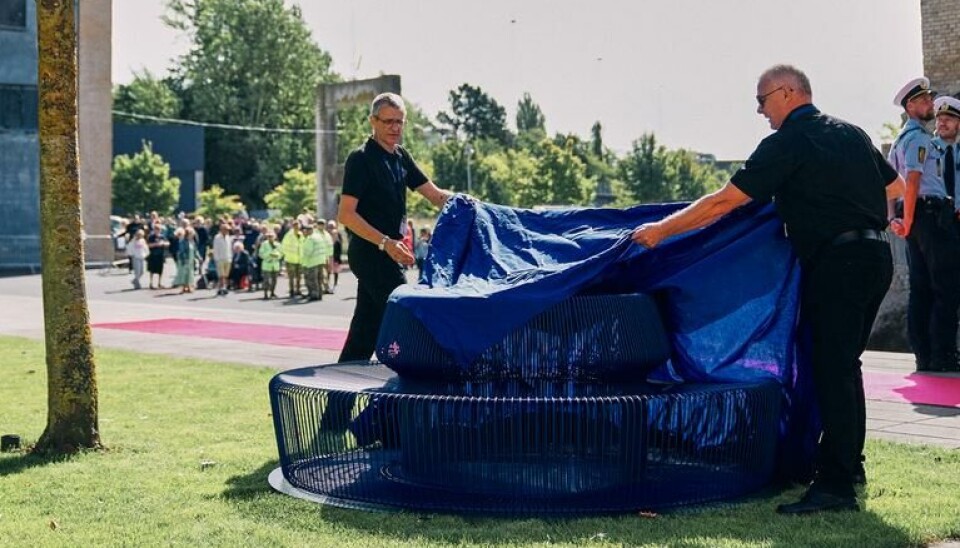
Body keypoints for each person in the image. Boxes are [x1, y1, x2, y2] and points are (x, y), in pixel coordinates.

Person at [631, 65, 905, 515]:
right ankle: (847, 466)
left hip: (838, 263)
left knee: (832, 368)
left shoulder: (788, 143)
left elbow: (724, 200)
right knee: (843, 366)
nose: (759, 111)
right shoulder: (853, 133)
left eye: (761, 100)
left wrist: (661, 231)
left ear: (788, 92)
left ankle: (836, 487)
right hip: (876, 258)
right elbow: (893, 187)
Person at [337, 92, 454, 362]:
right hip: (371, 253)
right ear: (373, 122)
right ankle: (415, 395)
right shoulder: (361, 159)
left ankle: (336, 404)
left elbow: (435, 195)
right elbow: (346, 214)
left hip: (392, 253)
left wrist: (472, 206)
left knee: (363, 335)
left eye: (400, 122)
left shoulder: (401, 156)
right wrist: (385, 243)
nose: (395, 128)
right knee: (409, 317)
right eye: (388, 121)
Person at [888, 78, 960, 373]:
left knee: (921, 288)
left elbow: (890, 185)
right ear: (911, 106)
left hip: (913, 215)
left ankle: (924, 354)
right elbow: (914, 181)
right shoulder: (918, 139)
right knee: (946, 287)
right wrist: (907, 220)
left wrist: (895, 218)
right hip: (927, 213)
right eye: (926, 101)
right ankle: (942, 354)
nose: (931, 105)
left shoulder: (899, 140)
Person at [300, 223, 325, 301]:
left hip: (312, 262)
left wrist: (304, 261)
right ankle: (320, 294)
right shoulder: (319, 236)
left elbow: (308, 252)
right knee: (319, 279)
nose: (305, 232)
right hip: (320, 261)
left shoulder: (310, 239)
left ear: (309, 231)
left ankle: (314, 295)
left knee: (312, 280)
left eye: (306, 230)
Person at [258, 228, 282, 299]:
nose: (270, 237)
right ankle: (265, 294)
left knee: (274, 280)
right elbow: (261, 254)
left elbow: (281, 253)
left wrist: (277, 256)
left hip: (275, 264)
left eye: (272, 236)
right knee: (266, 280)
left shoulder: (278, 244)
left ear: (274, 237)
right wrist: (269, 254)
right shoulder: (264, 244)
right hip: (267, 264)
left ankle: (272, 292)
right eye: (269, 236)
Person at [281, 222, 303, 298]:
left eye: (298, 226)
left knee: (299, 277)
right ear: (293, 226)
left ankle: (298, 290)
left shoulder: (301, 234)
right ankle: (291, 291)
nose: (297, 227)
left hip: (299, 260)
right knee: (291, 277)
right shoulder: (288, 235)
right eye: (295, 226)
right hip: (290, 259)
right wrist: (286, 256)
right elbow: (283, 246)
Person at [211, 223, 233, 296]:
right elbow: (215, 248)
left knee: (226, 275)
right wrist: (216, 258)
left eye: (227, 230)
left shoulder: (228, 237)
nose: (227, 231)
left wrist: (231, 257)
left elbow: (229, 248)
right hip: (220, 258)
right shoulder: (217, 237)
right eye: (225, 229)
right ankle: (221, 288)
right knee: (221, 275)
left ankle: (224, 287)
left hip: (227, 258)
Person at [146, 224, 169, 289]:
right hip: (153, 254)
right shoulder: (151, 237)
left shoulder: (162, 236)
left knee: (160, 270)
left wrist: (163, 243)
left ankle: (159, 283)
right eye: (156, 229)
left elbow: (167, 243)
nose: (157, 231)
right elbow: (149, 245)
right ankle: (151, 283)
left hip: (160, 255)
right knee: (152, 270)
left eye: (159, 229)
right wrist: (156, 244)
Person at [327, 219, 343, 291]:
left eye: (332, 226)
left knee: (336, 270)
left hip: (336, 256)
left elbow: (340, 247)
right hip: (328, 256)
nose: (331, 228)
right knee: (328, 271)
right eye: (330, 226)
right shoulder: (326, 235)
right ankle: (327, 284)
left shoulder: (338, 235)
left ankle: (335, 283)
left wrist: (339, 257)